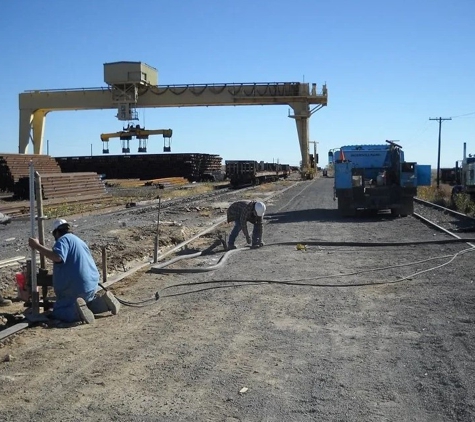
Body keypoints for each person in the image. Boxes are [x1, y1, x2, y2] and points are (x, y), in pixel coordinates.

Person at [28, 219, 120, 325]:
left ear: (56, 232)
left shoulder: (62, 240)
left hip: (77, 287)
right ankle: (104, 303)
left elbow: (57, 257)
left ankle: (76, 313)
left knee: (59, 311)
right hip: (91, 285)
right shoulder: (79, 240)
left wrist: (37, 246)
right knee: (87, 303)